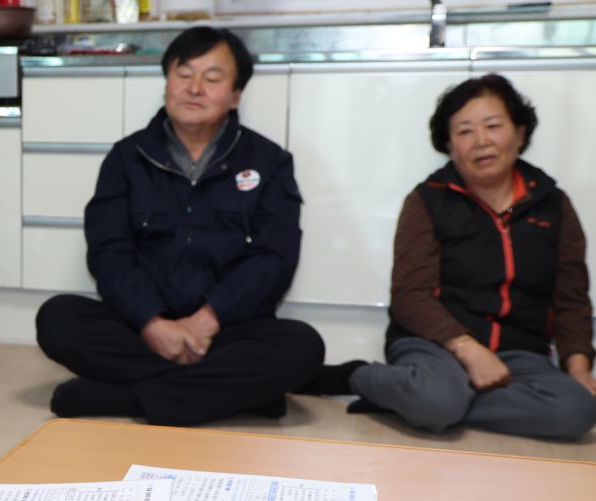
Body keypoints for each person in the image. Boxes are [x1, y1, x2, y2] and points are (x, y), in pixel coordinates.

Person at [35, 27, 324, 427]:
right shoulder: (126, 158)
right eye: (184, 74)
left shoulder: (269, 162)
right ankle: (234, 395)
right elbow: (108, 252)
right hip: (141, 328)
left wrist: (206, 321)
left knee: (302, 347)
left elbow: (275, 258)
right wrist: (152, 324)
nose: (194, 88)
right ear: (167, 83)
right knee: (58, 319)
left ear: (236, 94)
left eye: (212, 78)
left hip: (226, 331)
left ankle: (129, 398)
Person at [345, 74, 596, 440]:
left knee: (577, 411)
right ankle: (362, 377)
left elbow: (571, 299)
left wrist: (579, 370)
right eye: (465, 131)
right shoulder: (427, 201)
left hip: (519, 352)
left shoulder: (553, 205)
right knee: (437, 396)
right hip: (435, 345)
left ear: (520, 133)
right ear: (449, 145)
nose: (481, 141)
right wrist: (468, 349)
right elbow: (410, 296)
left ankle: (426, 401)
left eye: (493, 126)